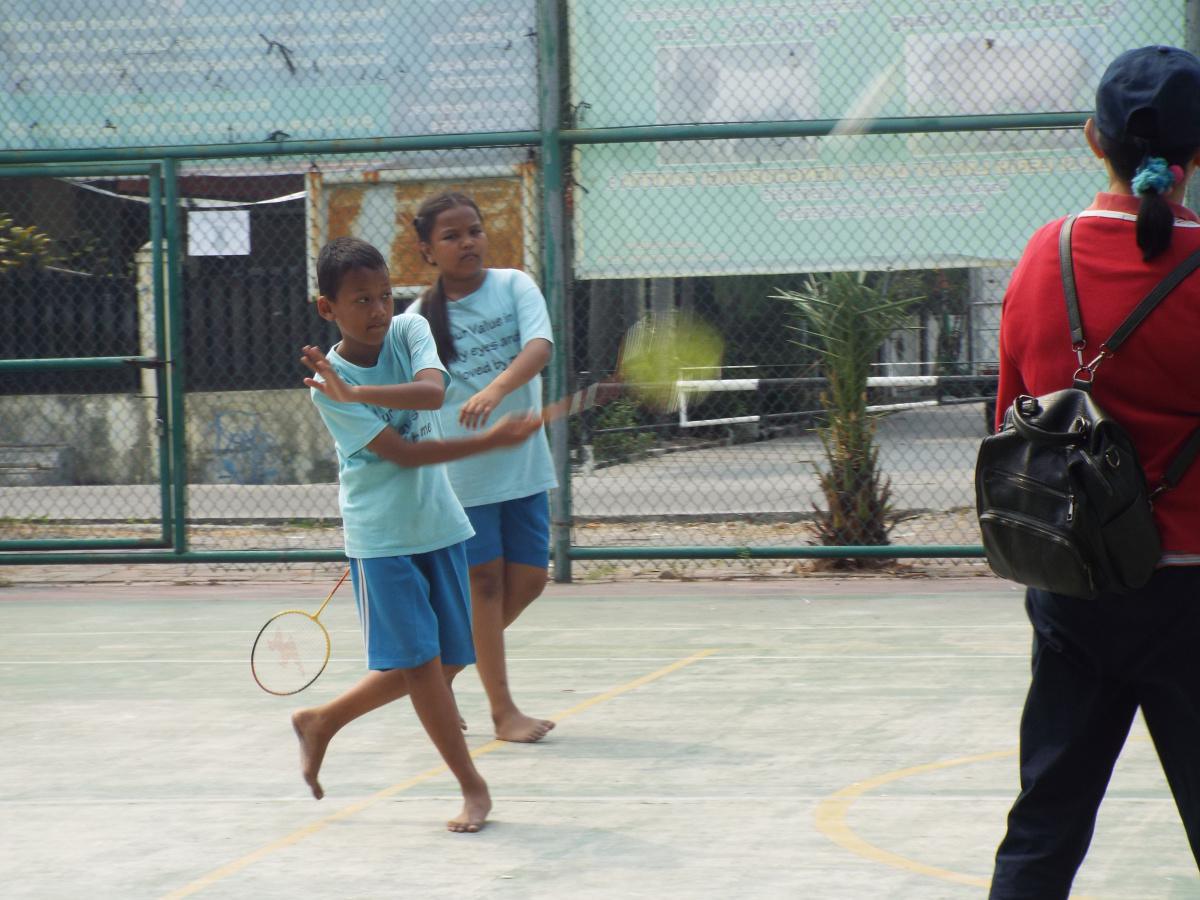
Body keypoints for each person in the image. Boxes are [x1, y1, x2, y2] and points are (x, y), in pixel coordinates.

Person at [989, 45, 1200, 896]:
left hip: (1075, 583)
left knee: (1045, 823)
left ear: (1091, 139)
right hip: (1192, 589)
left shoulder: (1045, 256)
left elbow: (1013, 418)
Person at [290, 235, 542, 833]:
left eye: (383, 295)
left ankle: (321, 721)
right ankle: (473, 788)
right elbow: (401, 453)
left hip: (441, 525)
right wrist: (486, 440)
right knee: (425, 667)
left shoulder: (409, 331)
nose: (377, 310)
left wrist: (363, 391)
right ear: (328, 308)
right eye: (360, 300)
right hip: (382, 540)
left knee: (445, 657)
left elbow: (433, 391)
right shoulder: (327, 384)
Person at [408, 192, 558, 743]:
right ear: (427, 250)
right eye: (451, 236)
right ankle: (503, 713)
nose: (467, 242)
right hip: (463, 475)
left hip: (522, 466)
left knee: (531, 580)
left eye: (474, 230)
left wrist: (497, 390)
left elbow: (539, 347)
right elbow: (410, 398)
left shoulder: (515, 285)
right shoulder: (416, 320)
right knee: (486, 587)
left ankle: (440, 676)